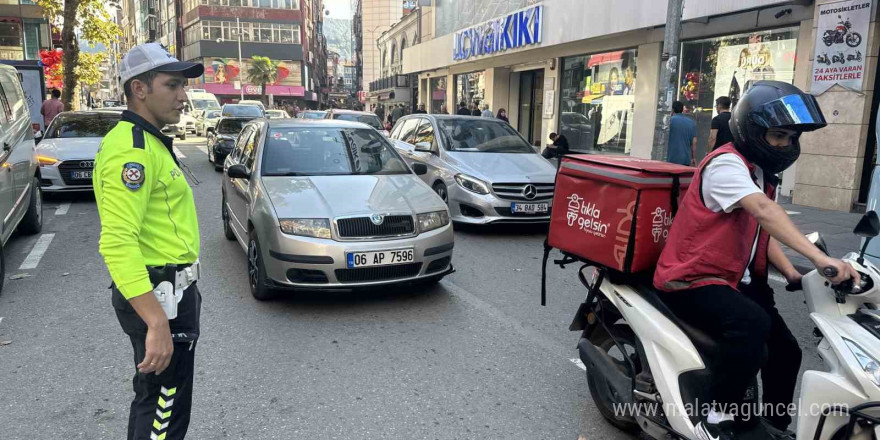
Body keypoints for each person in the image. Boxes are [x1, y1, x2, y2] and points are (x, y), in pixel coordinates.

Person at [654, 81, 858, 440]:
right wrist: (821, 259)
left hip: (734, 277)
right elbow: (765, 213)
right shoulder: (726, 166)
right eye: (778, 136)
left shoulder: (759, 172)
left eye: (791, 138)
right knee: (751, 325)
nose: (785, 145)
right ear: (752, 129)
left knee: (787, 352)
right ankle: (716, 416)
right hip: (692, 277)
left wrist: (794, 272)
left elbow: (759, 233)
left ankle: (772, 427)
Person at [93, 42, 204, 440]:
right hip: (158, 297)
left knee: (160, 400)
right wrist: (155, 320)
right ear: (139, 89)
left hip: (171, 291)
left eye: (183, 85)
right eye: (172, 85)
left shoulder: (150, 140)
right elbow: (117, 242)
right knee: (163, 408)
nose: (183, 96)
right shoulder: (132, 152)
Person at [666, 101, 697, 166]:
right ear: (682, 109)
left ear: (673, 109)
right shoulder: (691, 122)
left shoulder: (671, 121)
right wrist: (693, 158)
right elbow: (694, 142)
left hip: (672, 159)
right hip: (686, 159)